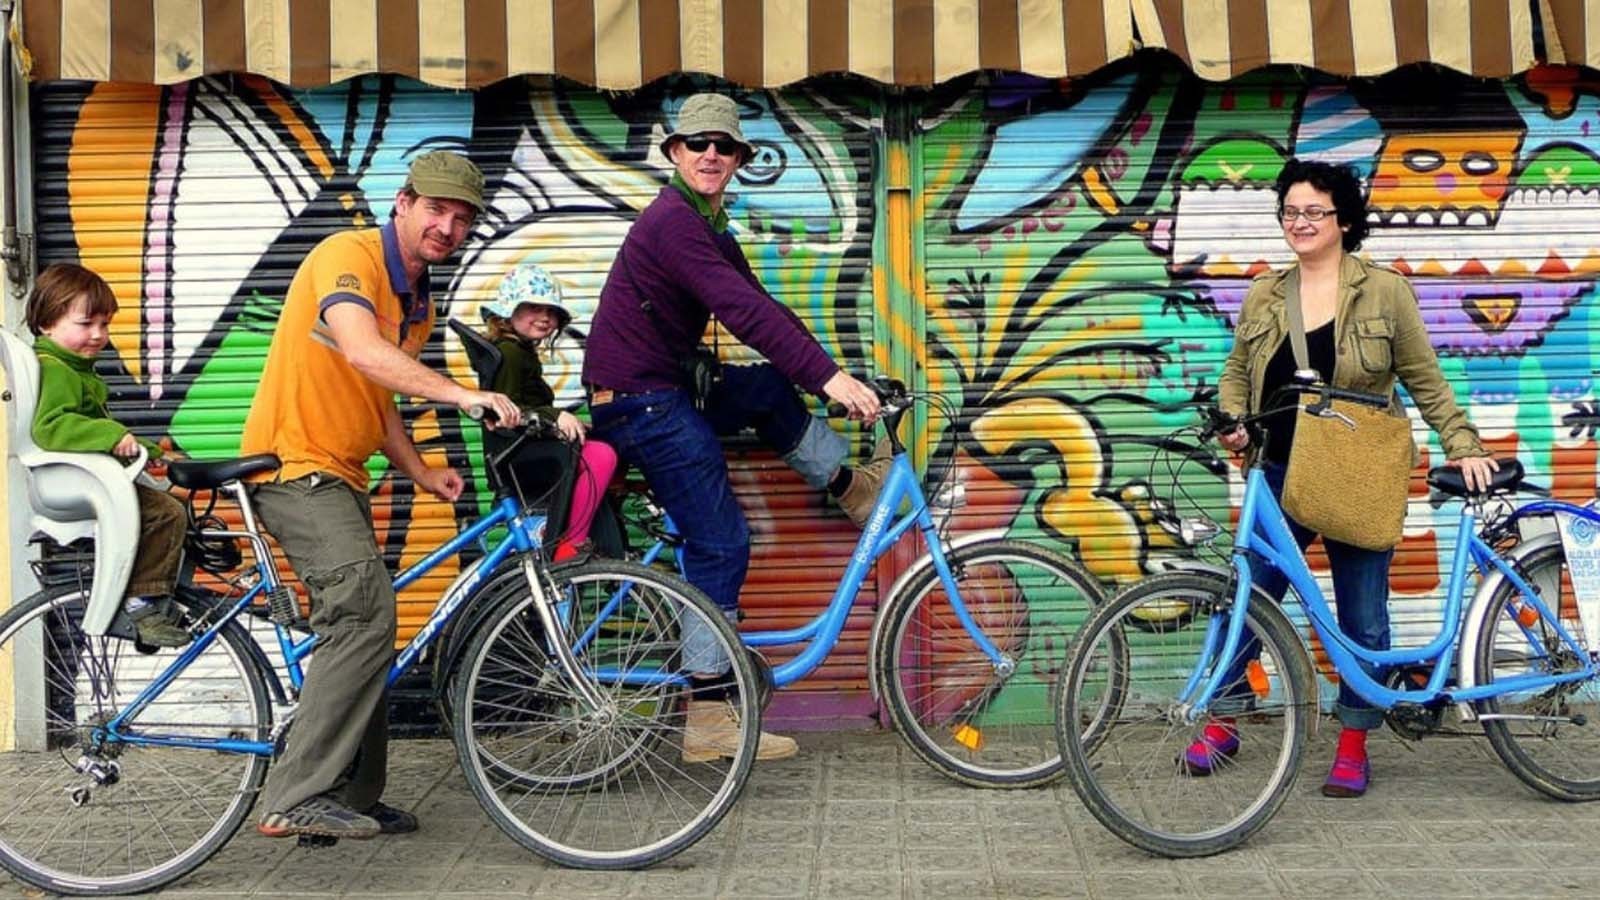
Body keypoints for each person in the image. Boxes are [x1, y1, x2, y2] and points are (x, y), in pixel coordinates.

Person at [582, 92, 887, 762]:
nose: (711, 154)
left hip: (663, 390)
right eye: (698, 144)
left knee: (765, 388)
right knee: (719, 543)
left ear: (739, 159)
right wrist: (831, 381)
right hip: (640, 403)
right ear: (674, 153)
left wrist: (826, 371)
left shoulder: (707, 225)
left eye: (724, 146)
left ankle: (848, 486)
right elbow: (740, 312)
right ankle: (710, 716)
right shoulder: (674, 225)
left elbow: (759, 305)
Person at [241, 151, 522, 840]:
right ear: (402, 202)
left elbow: (377, 393)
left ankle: (350, 797)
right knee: (364, 612)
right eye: (436, 209)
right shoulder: (350, 255)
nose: (448, 227)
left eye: (462, 219)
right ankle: (294, 796)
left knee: (368, 622)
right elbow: (364, 350)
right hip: (294, 469)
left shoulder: (416, 299)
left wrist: (422, 471)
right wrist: (462, 394)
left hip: (337, 474)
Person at [1210, 158, 1497, 797]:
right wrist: (1231, 418)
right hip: (1278, 470)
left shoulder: (1384, 291)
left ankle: (1354, 739)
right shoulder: (1264, 292)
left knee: (1363, 614)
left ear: (1343, 219)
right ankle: (1223, 716)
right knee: (1246, 598)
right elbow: (1236, 372)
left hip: (1357, 470)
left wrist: (1463, 443)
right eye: (1290, 211)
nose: (1300, 222)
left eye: (1313, 211)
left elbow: (1425, 377)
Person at [26, 262, 191, 649]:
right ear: (47, 323)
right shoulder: (56, 371)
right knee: (165, 513)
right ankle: (142, 603)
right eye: (86, 324)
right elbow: (50, 427)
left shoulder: (74, 368)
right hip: (74, 482)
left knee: (177, 512)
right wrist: (112, 435)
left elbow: (97, 428)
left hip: (82, 477)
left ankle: (159, 595)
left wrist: (147, 451)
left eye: (105, 324)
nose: (99, 335)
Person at [479, 262, 617, 561]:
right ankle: (570, 546)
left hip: (519, 452)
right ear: (510, 310)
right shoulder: (510, 353)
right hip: (516, 455)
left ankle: (575, 536)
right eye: (533, 307)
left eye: (551, 311)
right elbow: (504, 410)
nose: (545, 317)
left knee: (599, 448)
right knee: (601, 456)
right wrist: (555, 416)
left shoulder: (518, 349)